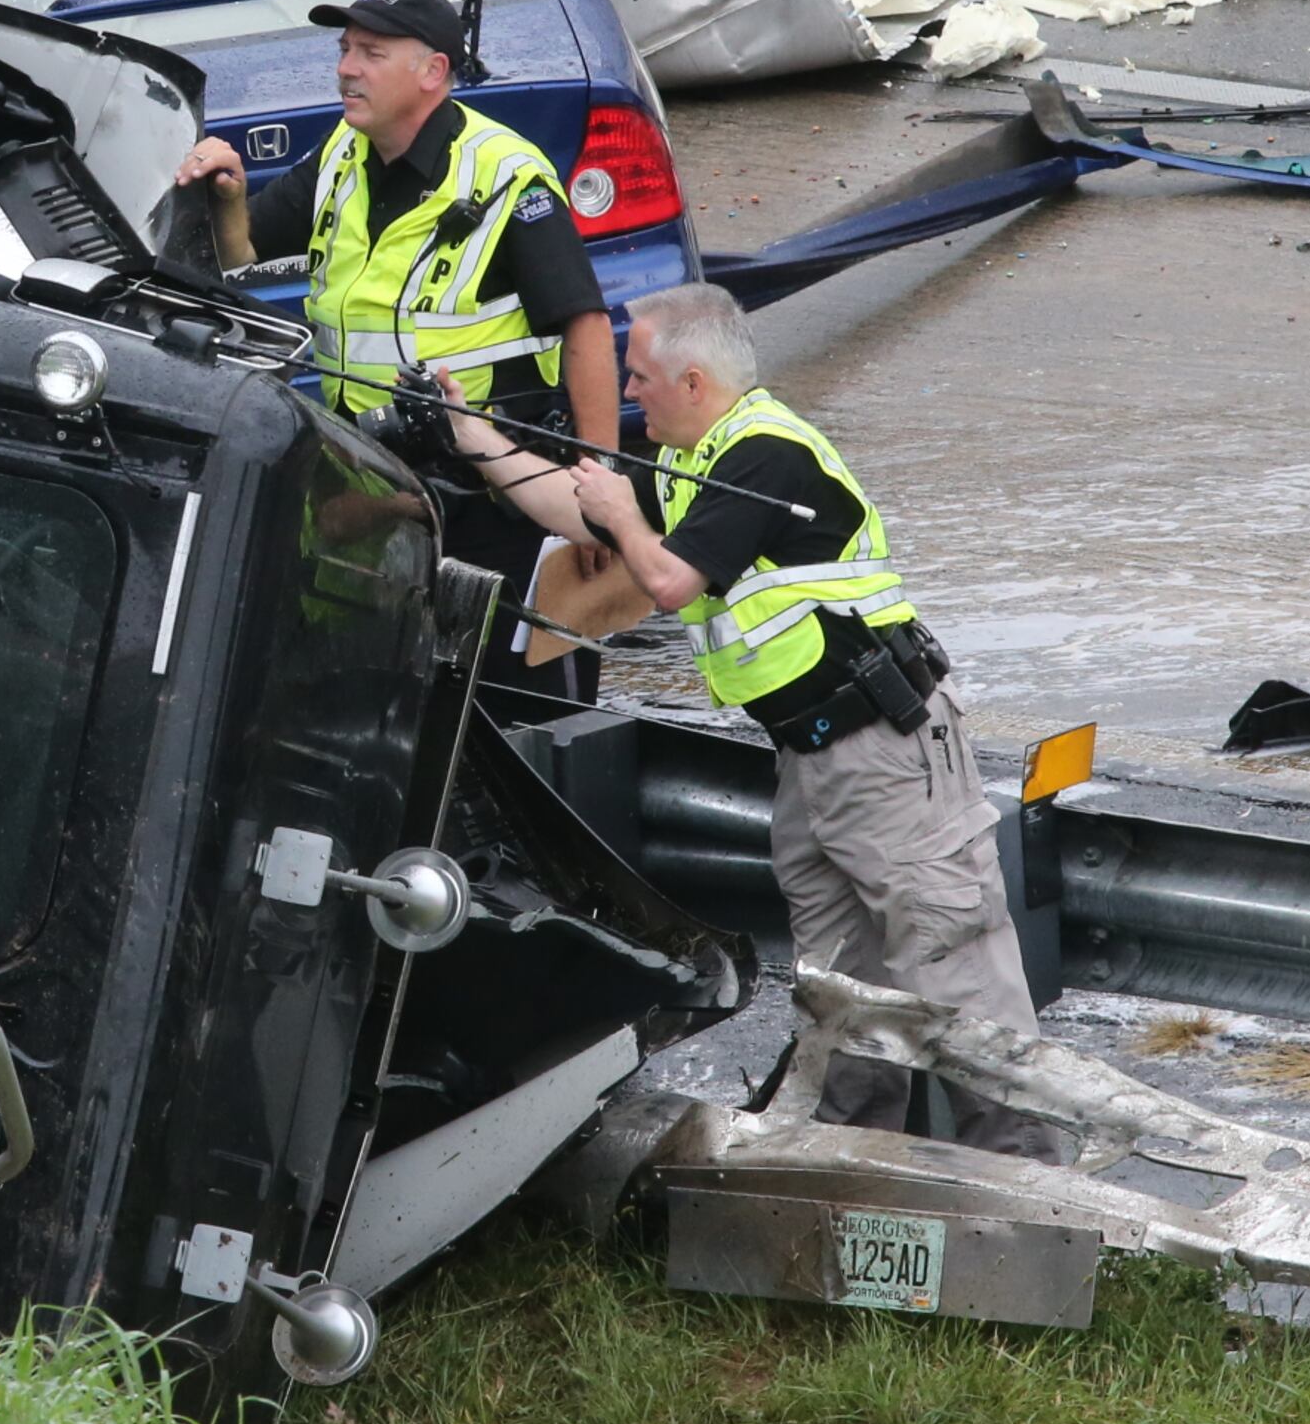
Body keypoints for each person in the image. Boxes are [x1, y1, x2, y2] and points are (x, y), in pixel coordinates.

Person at [437, 281, 1069, 1160]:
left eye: (639, 377)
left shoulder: (766, 456)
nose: (628, 394)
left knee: (950, 957)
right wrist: (475, 438)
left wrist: (621, 512)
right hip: (812, 760)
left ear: (692, 382)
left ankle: (1031, 1177)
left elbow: (665, 583)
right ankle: (849, 1157)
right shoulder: (701, 462)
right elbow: (567, 507)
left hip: (882, 745)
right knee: (838, 979)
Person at [171, 0, 614, 690]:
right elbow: (245, 254)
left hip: (495, 494)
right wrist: (229, 194)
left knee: (514, 711)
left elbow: (587, 327)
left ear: (432, 71)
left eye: (371, 51)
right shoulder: (341, 155)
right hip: (377, 480)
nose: (346, 67)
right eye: (345, 49)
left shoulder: (507, 177)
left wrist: (598, 497)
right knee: (389, 697)